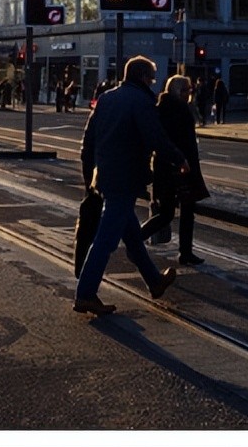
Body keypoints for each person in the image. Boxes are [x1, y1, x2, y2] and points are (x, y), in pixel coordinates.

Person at [74, 56, 186, 316]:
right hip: (125, 179)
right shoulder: (142, 102)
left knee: (133, 236)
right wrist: (179, 158)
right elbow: (155, 137)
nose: (154, 83)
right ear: (143, 77)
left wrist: (89, 176)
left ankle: (154, 281)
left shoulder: (106, 98)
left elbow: (88, 141)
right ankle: (85, 294)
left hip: (106, 177)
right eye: (152, 78)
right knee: (105, 239)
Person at [140, 75, 211, 266]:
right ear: (180, 92)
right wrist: (185, 162)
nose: (190, 94)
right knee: (185, 210)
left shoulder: (161, 108)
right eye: (188, 90)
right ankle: (183, 252)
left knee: (167, 212)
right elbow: (183, 141)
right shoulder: (180, 110)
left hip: (165, 166)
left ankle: (138, 238)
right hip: (180, 167)